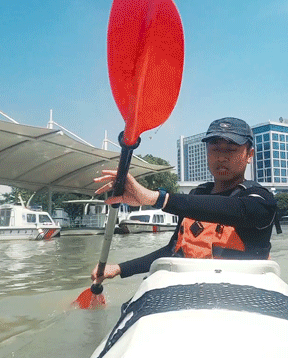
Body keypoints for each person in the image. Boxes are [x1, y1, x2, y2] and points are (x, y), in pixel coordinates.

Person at [91, 117, 278, 284]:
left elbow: (241, 210)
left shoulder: (260, 199)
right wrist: (119, 269)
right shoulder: (196, 196)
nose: (221, 157)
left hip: (244, 294)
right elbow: (173, 251)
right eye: (214, 149)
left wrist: (157, 198)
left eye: (231, 150)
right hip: (191, 291)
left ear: (249, 155)